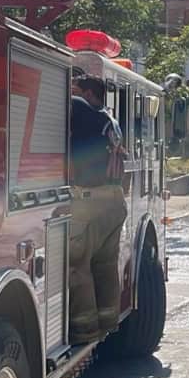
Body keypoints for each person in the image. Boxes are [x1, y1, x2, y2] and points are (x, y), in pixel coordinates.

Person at [68, 74, 128, 344]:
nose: (70, 94)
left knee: (77, 266)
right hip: (115, 200)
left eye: (75, 89)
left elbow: (67, 104)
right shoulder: (109, 119)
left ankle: (85, 331)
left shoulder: (81, 109)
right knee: (104, 264)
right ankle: (108, 322)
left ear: (89, 94)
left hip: (90, 202)